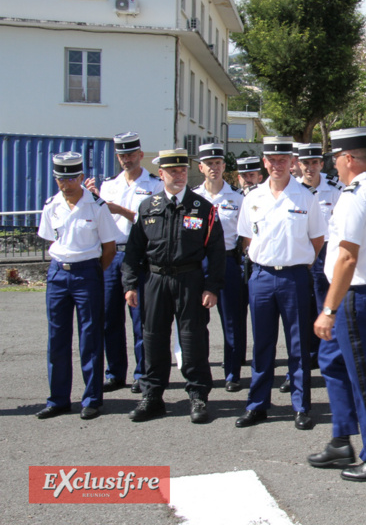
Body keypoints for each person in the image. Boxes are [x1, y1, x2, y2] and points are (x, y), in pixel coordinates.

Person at [308, 127, 366, 482]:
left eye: (335, 157)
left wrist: (329, 309)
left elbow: (347, 257)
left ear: (348, 159)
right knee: (333, 363)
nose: (334, 163)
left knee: (365, 379)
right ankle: (341, 438)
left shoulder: (355, 196)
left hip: (355, 296)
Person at [121, 148, 225, 424]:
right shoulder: (148, 207)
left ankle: (198, 396)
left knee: (193, 339)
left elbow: (216, 252)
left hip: (190, 280)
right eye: (173, 171)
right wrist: (130, 284)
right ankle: (152, 396)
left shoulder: (203, 208)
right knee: (153, 337)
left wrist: (211, 286)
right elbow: (134, 251)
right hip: (155, 280)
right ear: (162, 174)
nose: (179, 176)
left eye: (182, 171)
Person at [235, 137, 325, 430]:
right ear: (264, 162)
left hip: (294, 276)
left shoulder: (305, 197)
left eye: (283, 160)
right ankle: (257, 404)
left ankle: (301, 406)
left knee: (298, 345)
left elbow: (317, 241)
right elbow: (247, 238)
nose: (277, 165)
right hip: (260, 276)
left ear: (292, 163)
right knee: (262, 344)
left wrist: (298, 264)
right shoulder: (252, 198)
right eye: (272, 160)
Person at [37, 152, 118, 420]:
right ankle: (58, 399)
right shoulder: (51, 205)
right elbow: (51, 239)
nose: (66, 183)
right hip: (58, 274)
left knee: (90, 337)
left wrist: (93, 272)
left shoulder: (96, 206)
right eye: (61, 178)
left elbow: (109, 248)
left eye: (72, 178)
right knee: (57, 339)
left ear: (82, 177)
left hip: (87, 274)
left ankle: (92, 399)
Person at [85, 132, 162, 395]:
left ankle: (143, 373)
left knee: (141, 319)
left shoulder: (154, 185)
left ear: (141, 155)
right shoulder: (108, 185)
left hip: (140, 255)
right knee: (109, 318)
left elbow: (155, 224)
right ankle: (115, 372)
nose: (126, 159)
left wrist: (120, 210)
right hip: (112, 253)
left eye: (131, 154)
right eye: (122, 155)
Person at [192, 143, 246, 393]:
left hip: (227, 260)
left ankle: (233, 373)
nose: (214, 168)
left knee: (232, 320)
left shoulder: (238, 197)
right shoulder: (192, 197)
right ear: (200, 167)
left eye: (218, 163)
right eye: (209, 164)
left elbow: (246, 234)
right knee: (195, 321)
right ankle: (200, 372)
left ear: (224, 166)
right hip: (197, 262)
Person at [291, 143, 344, 384]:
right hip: (301, 253)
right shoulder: (292, 190)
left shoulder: (336, 189)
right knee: (303, 307)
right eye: (305, 163)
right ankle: (307, 356)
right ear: (298, 165)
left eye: (315, 162)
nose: (310, 167)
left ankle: (329, 359)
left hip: (328, 253)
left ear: (322, 164)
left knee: (328, 305)